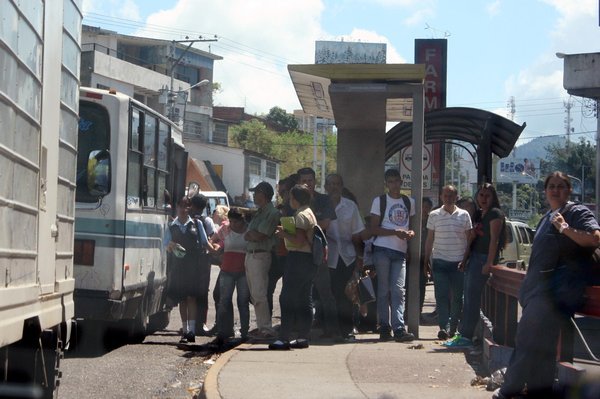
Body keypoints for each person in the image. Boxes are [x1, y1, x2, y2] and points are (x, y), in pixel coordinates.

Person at [494, 172, 600, 399]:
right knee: (542, 348)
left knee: (526, 340)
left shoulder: (576, 212)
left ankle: (507, 391)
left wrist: (564, 228)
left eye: (561, 186)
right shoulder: (546, 218)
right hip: (538, 291)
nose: (555, 190)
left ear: (569, 190)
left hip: (556, 292)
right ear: (545, 191)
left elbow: (594, 238)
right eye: (551, 186)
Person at [443, 183, 505, 348]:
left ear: (493, 198)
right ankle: (465, 334)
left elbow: (495, 240)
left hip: (483, 259)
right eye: (481, 195)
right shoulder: (480, 214)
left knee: (472, 299)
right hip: (474, 258)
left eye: (487, 196)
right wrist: (465, 260)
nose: (484, 199)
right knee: (469, 298)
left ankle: (466, 336)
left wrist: (489, 263)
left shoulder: (495, 214)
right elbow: (471, 239)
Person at [369, 168, 416, 342]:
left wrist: (409, 234)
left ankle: (398, 327)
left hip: (400, 251)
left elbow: (411, 226)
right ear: (386, 184)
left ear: (401, 182)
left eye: (397, 181)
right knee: (383, 290)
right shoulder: (380, 201)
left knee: (398, 290)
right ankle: (384, 326)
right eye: (390, 182)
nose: (394, 185)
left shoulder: (408, 201)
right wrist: (395, 232)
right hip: (382, 248)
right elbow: (374, 228)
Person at [270, 184, 318, 350]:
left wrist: (283, 234)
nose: (290, 201)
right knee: (305, 299)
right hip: (309, 260)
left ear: (296, 199)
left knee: (287, 298)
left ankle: (283, 337)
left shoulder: (301, 216)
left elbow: (298, 240)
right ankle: (303, 337)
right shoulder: (309, 212)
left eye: (291, 198)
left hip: (298, 258)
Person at [423, 186, 472, 340]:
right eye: (446, 195)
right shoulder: (434, 215)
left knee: (458, 297)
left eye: (451, 195)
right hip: (440, 262)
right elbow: (429, 239)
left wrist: (465, 259)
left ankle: (453, 327)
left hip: (458, 263)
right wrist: (426, 261)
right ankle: (444, 327)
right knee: (441, 296)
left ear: (456, 197)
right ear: (441, 197)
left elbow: (469, 239)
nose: (449, 198)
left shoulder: (464, 215)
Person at [297, 167, 340, 338]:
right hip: (298, 252)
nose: (307, 183)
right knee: (300, 293)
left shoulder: (324, 200)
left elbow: (326, 224)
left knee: (325, 293)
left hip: (318, 252)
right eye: (304, 180)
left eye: (310, 180)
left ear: (315, 181)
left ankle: (334, 331)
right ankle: (300, 329)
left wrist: (306, 227)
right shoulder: (293, 199)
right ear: (299, 182)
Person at [324, 173, 366, 341]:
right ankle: (330, 330)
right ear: (326, 187)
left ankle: (346, 330)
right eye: (331, 184)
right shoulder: (321, 205)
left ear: (341, 187)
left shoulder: (350, 207)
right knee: (328, 296)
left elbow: (357, 235)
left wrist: (359, 258)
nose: (334, 187)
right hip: (326, 257)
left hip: (346, 256)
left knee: (346, 296)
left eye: (337, 184)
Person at [166, 196, 209, 343]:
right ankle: (185, 331)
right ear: (176, 208)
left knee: (192, 297)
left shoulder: (197, 224)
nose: (183, 210)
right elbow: (166, 245)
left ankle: (191, 331)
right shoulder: (172, 226)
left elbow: (205, 243)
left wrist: (218, 252)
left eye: (186, 207)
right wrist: (172, 246)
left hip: (194, 266)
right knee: (182, 299)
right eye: (181, 206)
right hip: (178, 267)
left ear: (189, 208)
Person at [244, 181, 280, 340]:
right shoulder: (260, 212)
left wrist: (252, 234)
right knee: (255, 294)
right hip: (251, 254)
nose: (253, 195)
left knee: (259, 294)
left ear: (263, 194)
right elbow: (249, 234)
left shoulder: (271, 213)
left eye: (256, 192)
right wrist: (252, 233)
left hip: (260, 254)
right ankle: (261, 326)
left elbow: (260, 235)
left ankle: (266, 328)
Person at [211, 208, 251, 345]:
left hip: (243, 271)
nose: (233, 224)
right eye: (231, 221)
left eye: (236, 221)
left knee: (243, 302)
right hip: (227, 270)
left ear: (242, 220)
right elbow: (213, 240)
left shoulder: (249, 230)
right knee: (224, 301)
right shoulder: (225, 229)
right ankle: (222, 331)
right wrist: (217, 247)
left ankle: (245, 332)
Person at [268, 174, 299, 317]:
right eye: (280, 193)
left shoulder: (294, 211)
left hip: (290, 256)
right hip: (278, 254)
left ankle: (289, 324)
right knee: (267, 289)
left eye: (284, 193)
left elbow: (290, 233)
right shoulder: (282, 208)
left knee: (288, 294)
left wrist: (281, 218)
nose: (282, 196)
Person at [190, 194, 217, 336]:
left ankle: (189, 324)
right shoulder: (207, 221)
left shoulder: (185, 219)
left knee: (188, 293)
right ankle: (201, 323)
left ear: (192, 205)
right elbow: (212, 239)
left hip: (187, 260)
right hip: (203, 260)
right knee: (202, 293)